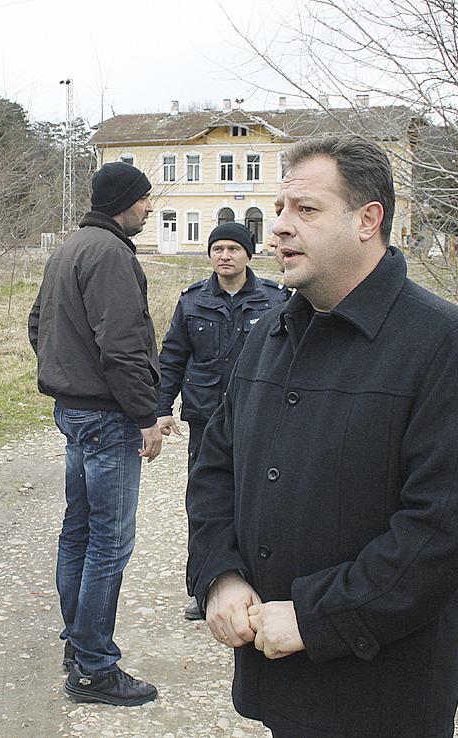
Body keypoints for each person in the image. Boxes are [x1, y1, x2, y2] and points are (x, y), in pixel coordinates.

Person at [186, 134, 458, 737]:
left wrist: (318, 616)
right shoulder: (267, 335)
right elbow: (215, 469)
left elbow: (447, 530)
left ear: (368, 220)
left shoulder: (445, 346)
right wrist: (219, 574)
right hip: (278, 681)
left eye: (305, 210)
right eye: (280, 209)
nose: (278, 227)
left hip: (382, 694)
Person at [28, 161, 161, 707]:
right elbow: (124, 347)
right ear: (123, 202)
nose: (150, 209)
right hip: (107, 418)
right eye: (145, 200)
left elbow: (38, 323)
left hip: (75, 412)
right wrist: (146, 415)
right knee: (110, 542)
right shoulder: (109, 253)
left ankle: (79, 645)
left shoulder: (70, 247)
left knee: (79, 534)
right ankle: (94, 668)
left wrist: (67, 374)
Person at [158, 222, 289, 621]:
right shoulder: (192, 301)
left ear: (248, 254)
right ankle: (206, 586)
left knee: (258, 502)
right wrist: (162, 406)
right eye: (218, 248)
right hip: (204, 417)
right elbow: (173, 356)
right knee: (205, 501)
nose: (225, 255)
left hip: (258, 418)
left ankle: (260, 585)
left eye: (234, 248)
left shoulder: (275, 299)